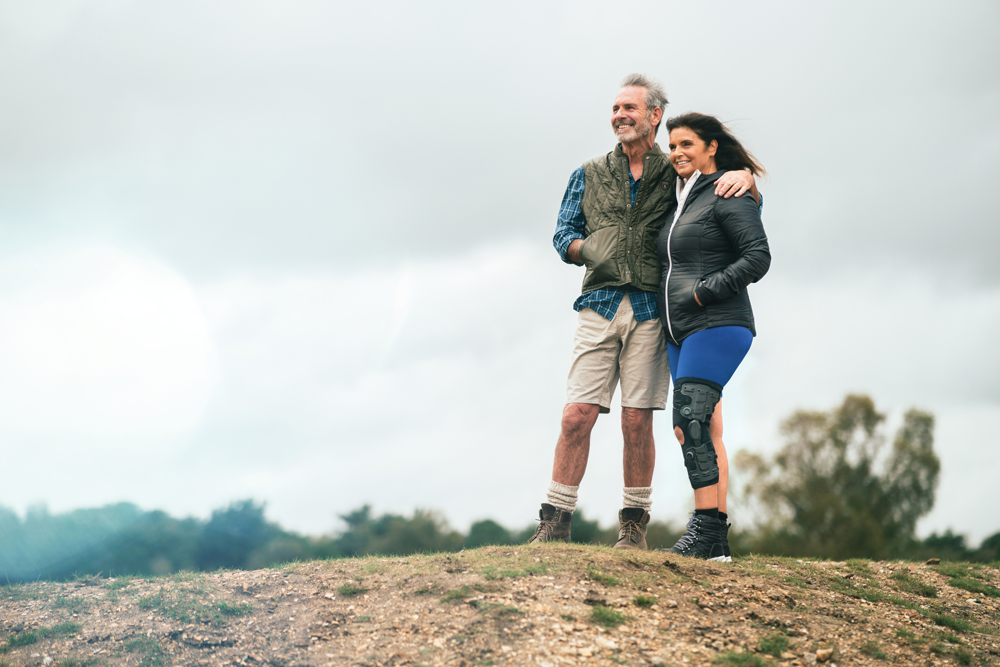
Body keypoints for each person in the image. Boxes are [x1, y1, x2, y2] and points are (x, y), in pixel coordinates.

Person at [528, 76, 757, 550]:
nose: (619, 115)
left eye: (629, 107)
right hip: (599, 304)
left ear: (654, 115)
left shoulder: (674, 169)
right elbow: (561, 234)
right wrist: (588, 249)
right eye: (614, 108)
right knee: (576, 415)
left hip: (655, 310)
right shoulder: (587, 173)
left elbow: (720, 192)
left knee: (638, 420)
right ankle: (555, 521)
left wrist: (748, 178)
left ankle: (633, 526)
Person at [655, 112, 770, 560]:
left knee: (689, 421)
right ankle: (717, 540)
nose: (678, 153)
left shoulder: (726, 189)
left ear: (711, 147)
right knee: (705, 427)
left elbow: (757, 256)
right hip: (679, 330)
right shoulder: (682, 195)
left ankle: (702, 530)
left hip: (717, 324)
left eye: (687, 144)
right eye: (673, 146)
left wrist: (705, 292)